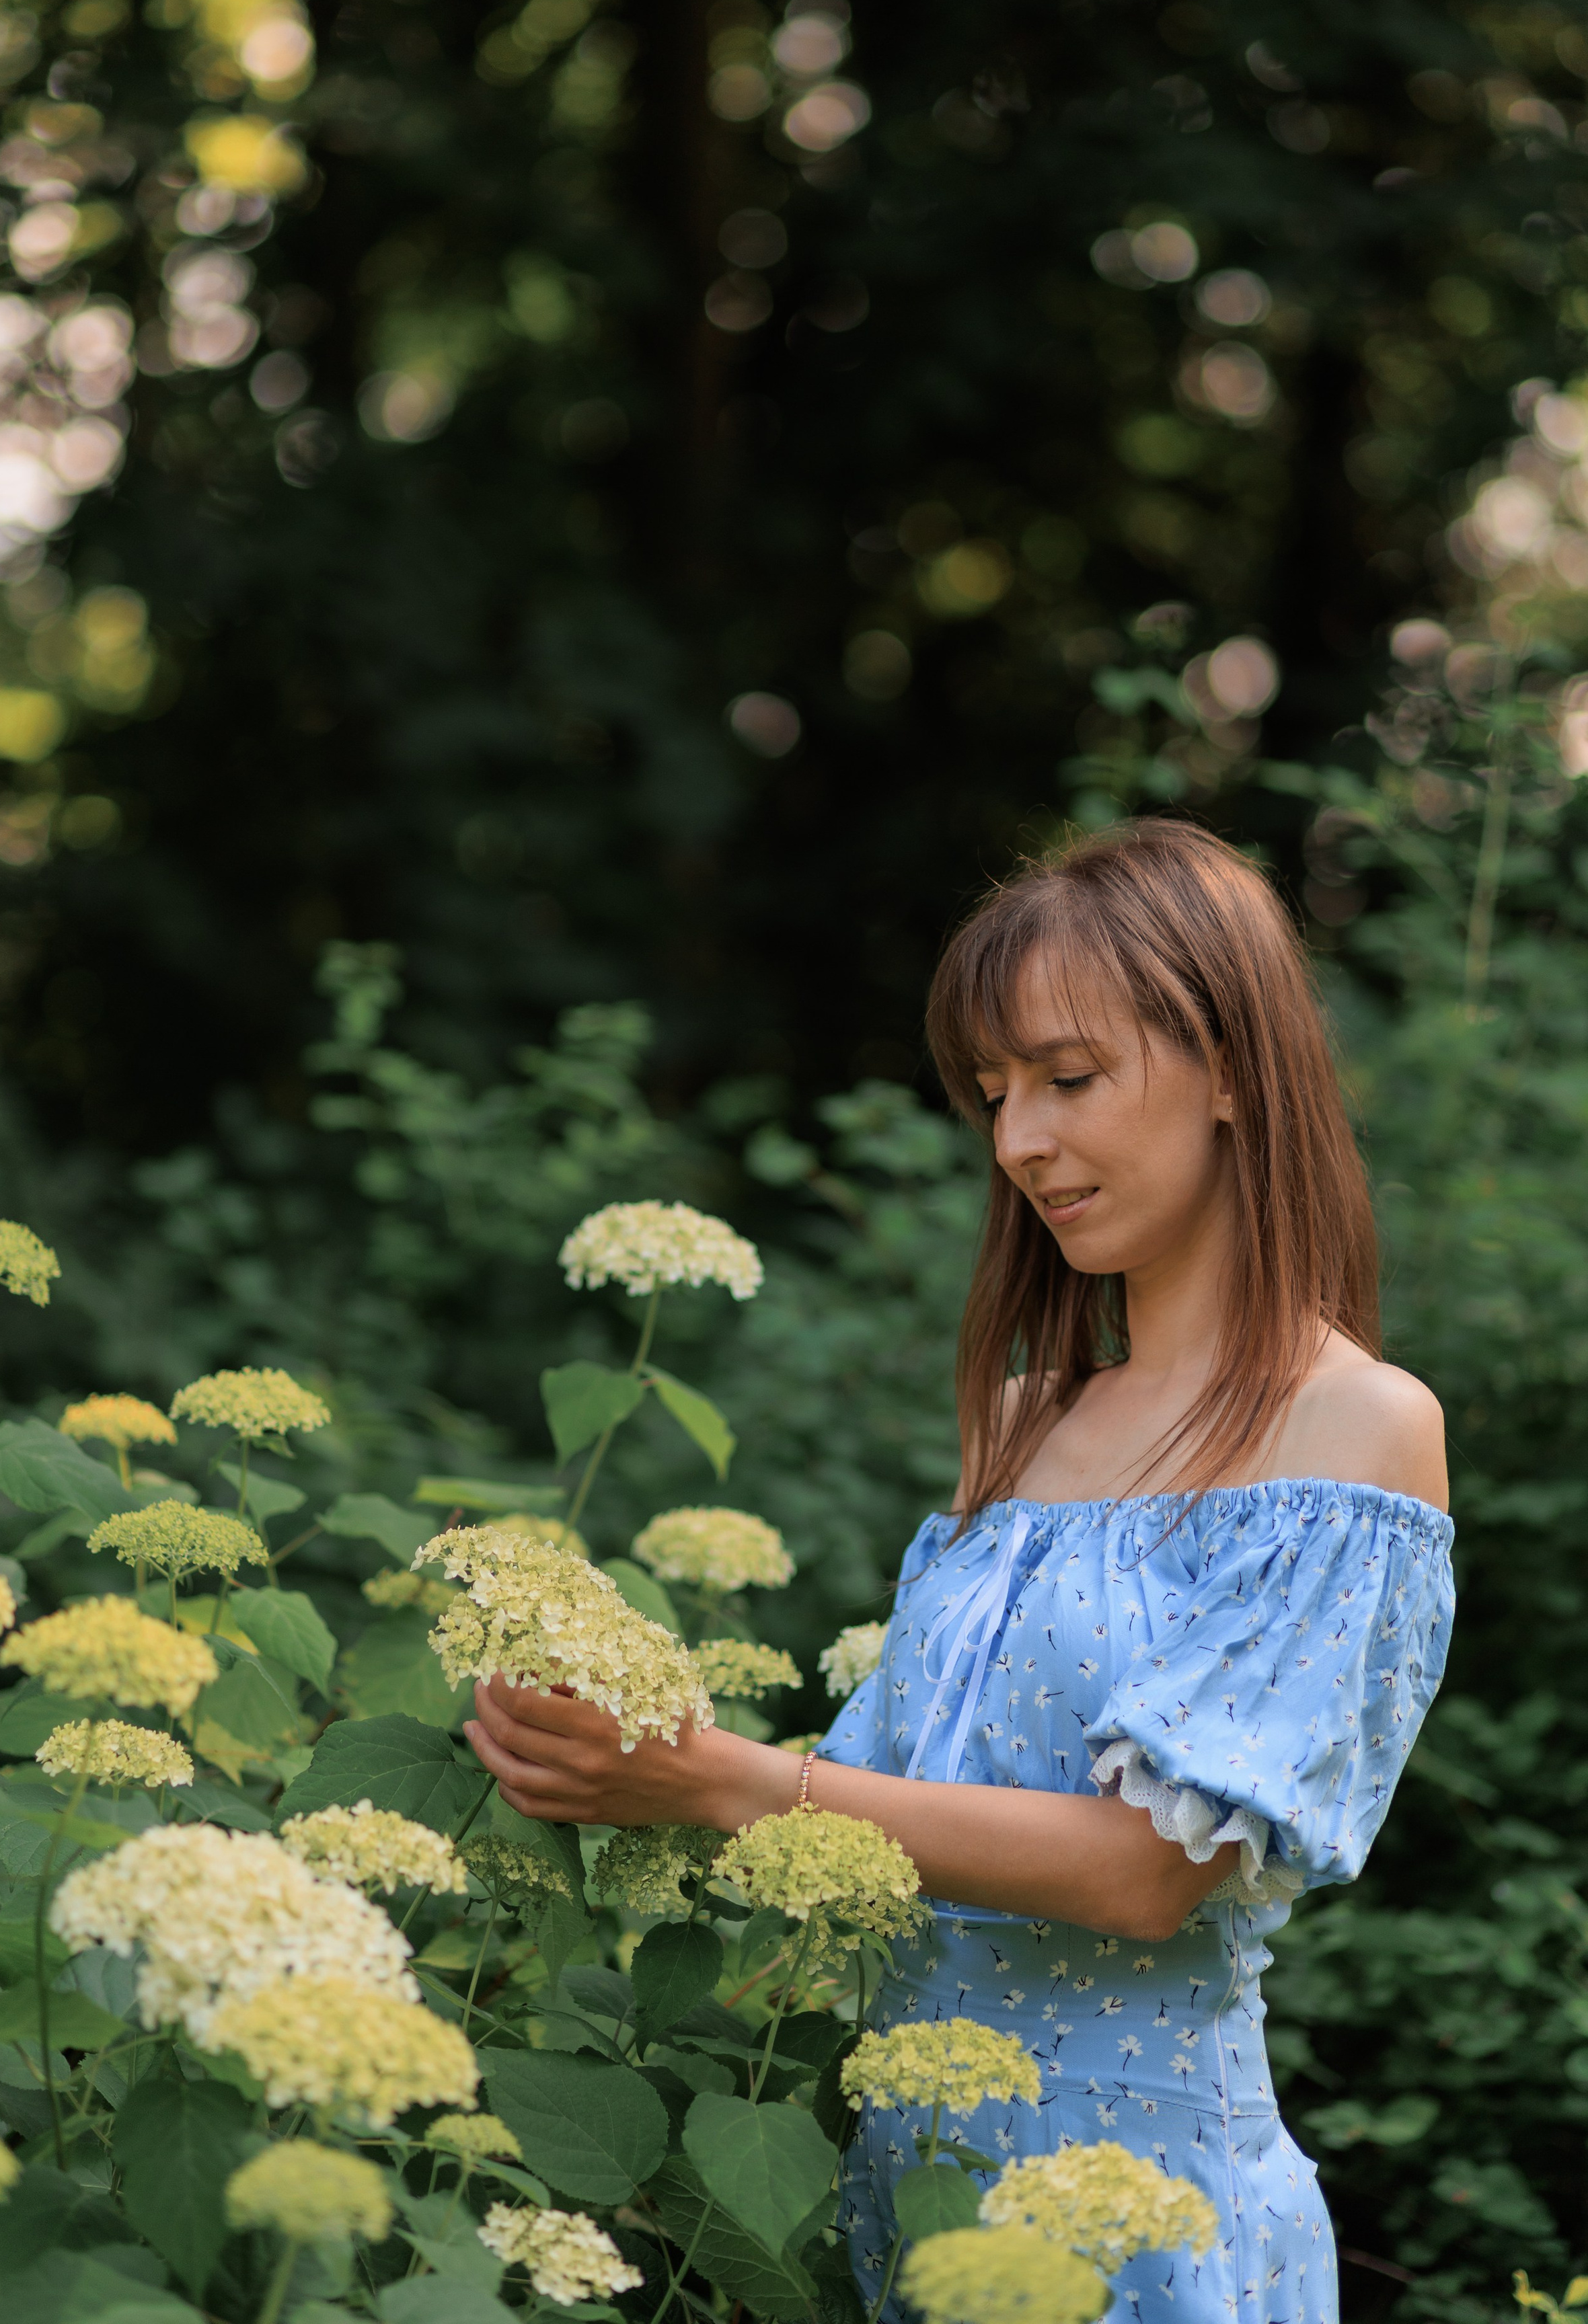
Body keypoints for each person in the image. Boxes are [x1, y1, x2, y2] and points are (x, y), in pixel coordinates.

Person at [463, 817, 1455, 2324]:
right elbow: (895, 1823)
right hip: (904, 2189)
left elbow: (1145, 1876)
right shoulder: (1019, 1424)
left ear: (1236, 1067)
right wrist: (607, 1743)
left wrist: (728, 1779)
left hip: (1147, 2229)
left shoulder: (1356, 1432)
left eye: (1066, 1079)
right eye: (992, 1096)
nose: (1018, 1143)